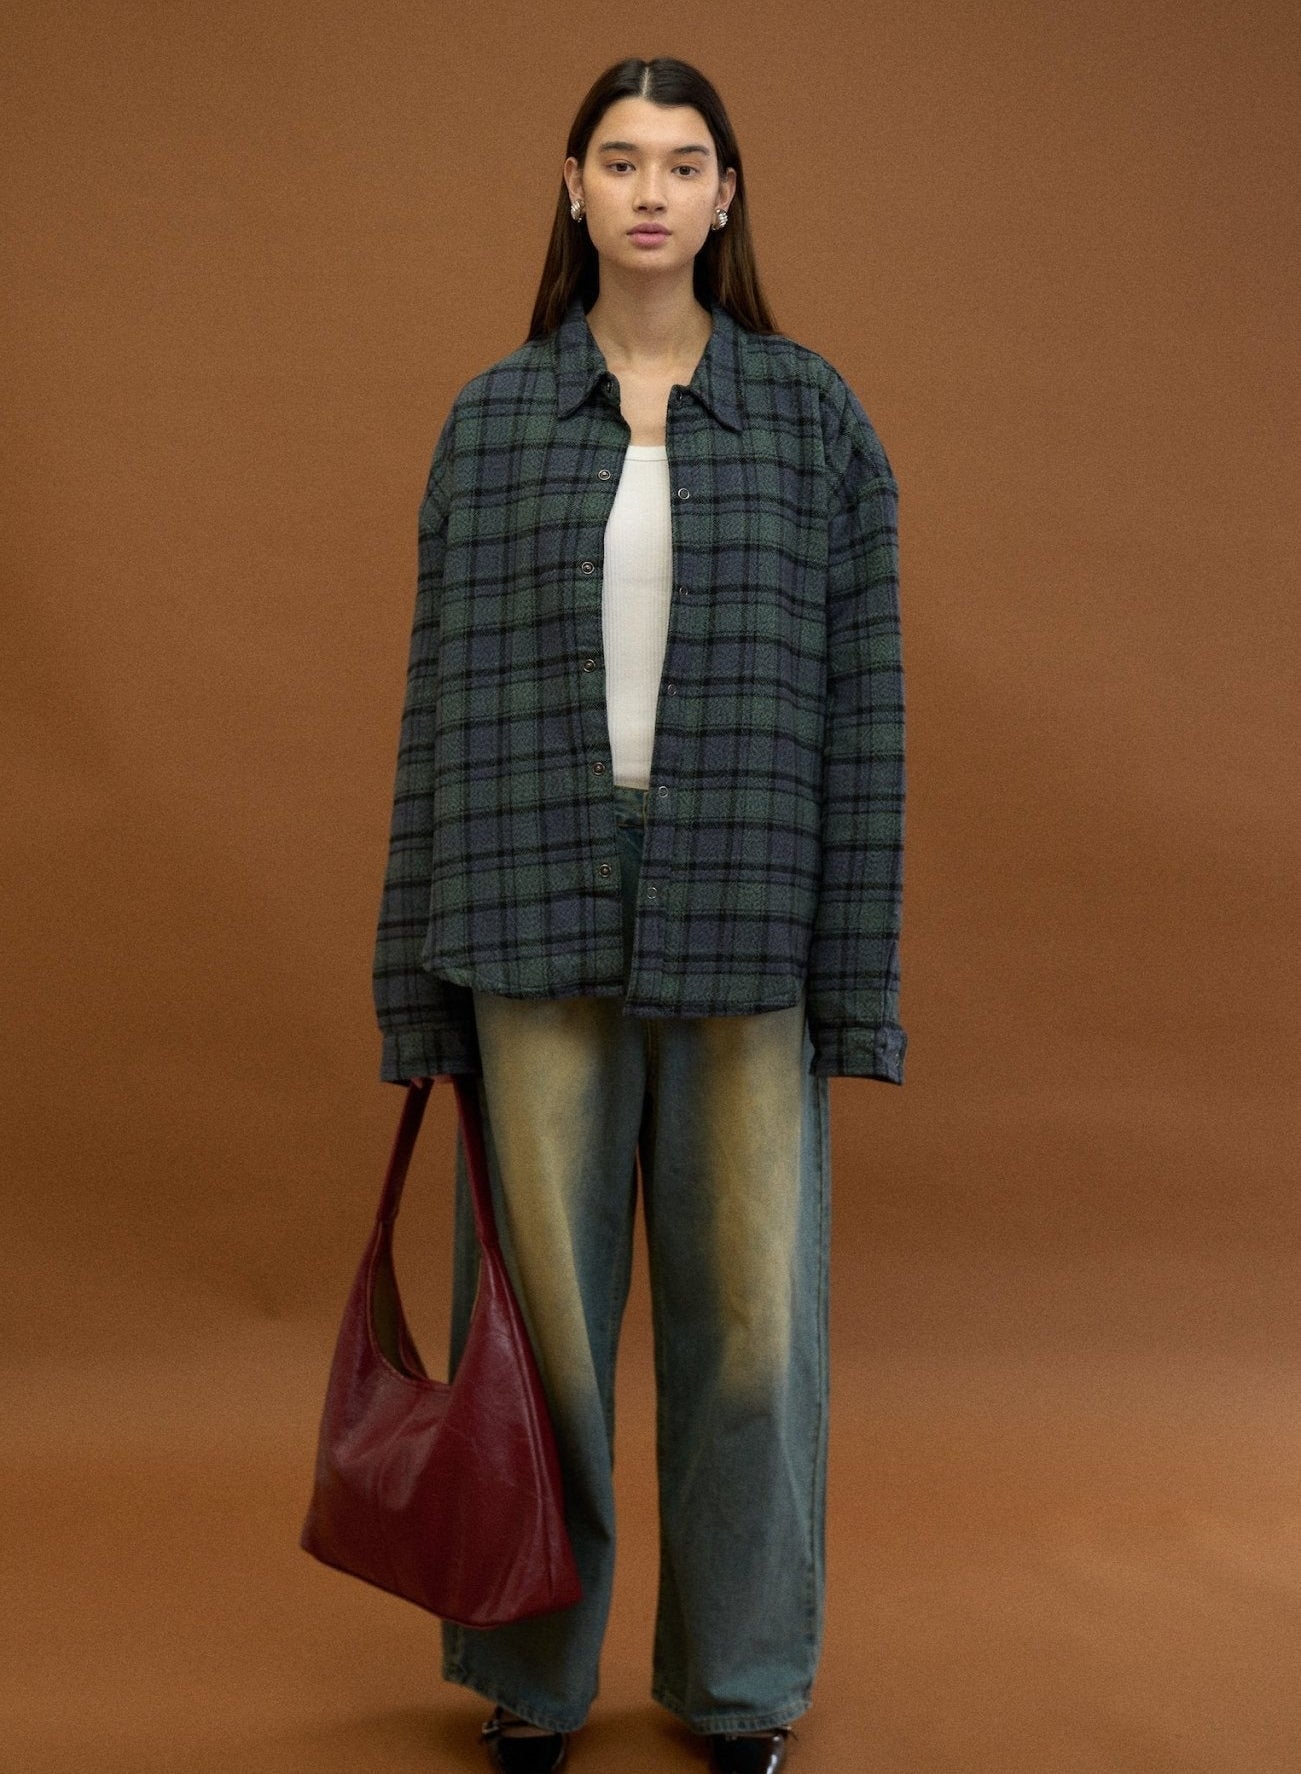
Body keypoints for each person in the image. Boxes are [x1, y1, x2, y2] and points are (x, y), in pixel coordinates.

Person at [373, 55, 906, 1774]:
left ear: (726, 193)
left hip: (744, 902)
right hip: (524, 889)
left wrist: (850, 982)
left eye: (683, 162)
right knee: (541, 1321)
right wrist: (412, 982)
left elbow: (865, 725)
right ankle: (531, 1677)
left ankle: (738, 1682)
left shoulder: (813, 420)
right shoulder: (491, 420)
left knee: (750, 1329)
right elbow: (433, 713)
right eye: (620, 160)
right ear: (573, 189)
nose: (651, 190)